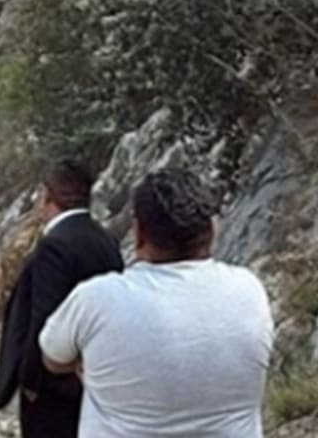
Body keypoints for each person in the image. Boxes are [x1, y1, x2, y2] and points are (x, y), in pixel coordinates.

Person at [39, 167, 273, 437]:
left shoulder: (97, 299)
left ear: (138, 234)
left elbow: (53, 357)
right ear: (212, 229)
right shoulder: (249, 290)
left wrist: (95, 361)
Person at [0, 159, 123, 437]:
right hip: (92, 380)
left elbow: (43, 318)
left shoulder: (55, 245)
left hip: (52, 388)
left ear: (46, 195)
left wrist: (30, 382)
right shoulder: (107, 241)